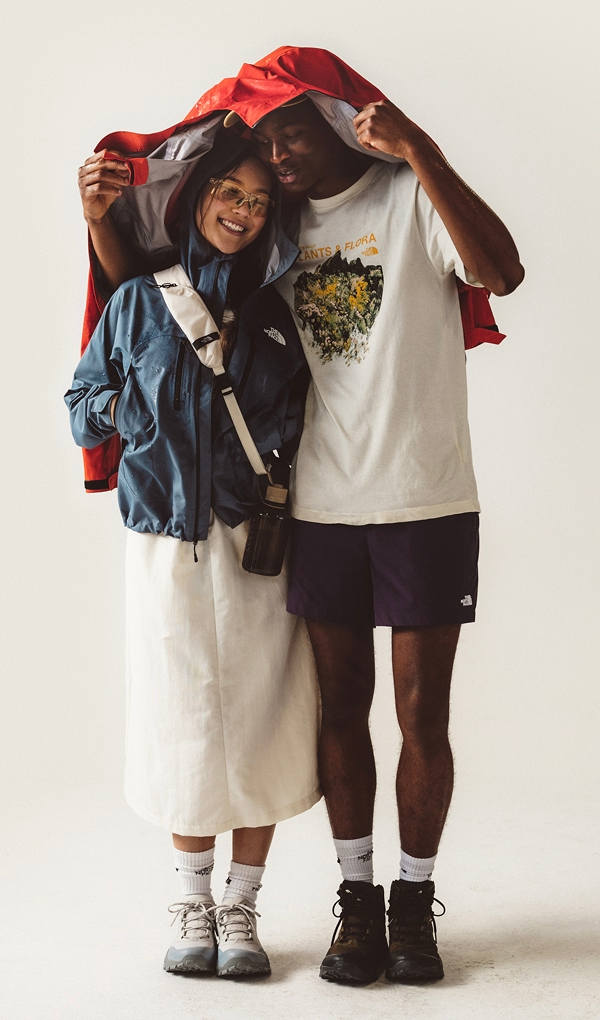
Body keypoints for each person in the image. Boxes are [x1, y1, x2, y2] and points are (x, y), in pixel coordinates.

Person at [76, 45, 525, 987]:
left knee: (422, 713)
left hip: (426, 495)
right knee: (334, 716)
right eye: (265, 137)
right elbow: (157, 296)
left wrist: (425, 152)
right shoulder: (273, 243)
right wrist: (98, 217)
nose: (278, 154)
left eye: (293, 130)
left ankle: (412, 901)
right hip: (315, 508)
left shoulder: (407, 197)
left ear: (336, 119)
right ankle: (355, 904)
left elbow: (502, 270)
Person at [65, 136, 320, 980]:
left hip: (255, 545)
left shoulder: (280, 314)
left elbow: (299, 425)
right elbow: (81, 408)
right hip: (163, 543)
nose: (242, 212)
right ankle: (191, 901)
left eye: (257, 201)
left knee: (262, 720)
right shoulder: (136, 301)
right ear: (199, 195)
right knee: (180, 722)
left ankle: (243, 907)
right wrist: (130, 411)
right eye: (229, 193)